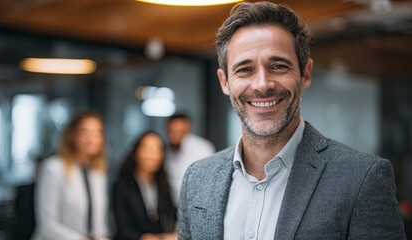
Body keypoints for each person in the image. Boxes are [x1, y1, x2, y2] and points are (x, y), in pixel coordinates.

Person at [178, 2, 406, 240]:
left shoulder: (363, 178)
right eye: (245, 69)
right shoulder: (197, 179)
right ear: (224, 81)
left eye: (278, 66)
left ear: (305, 73)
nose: (262, 84)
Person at [32, 110, 110, 240]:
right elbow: (47, 225)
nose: (91, 138)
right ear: (72, 135)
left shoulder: (98, 173)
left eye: (97, 133)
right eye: (85, 132)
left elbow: (100, 225)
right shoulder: (53, 168)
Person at [113, 131, 177, 240]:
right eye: (147, 149)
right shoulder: (123, 186)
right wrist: (143, 238)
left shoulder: (163, 184)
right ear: (135, 153)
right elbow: (123, 228)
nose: (152, 155)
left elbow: (173, 213)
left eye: (157, 150)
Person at [164, 113, 215, 204]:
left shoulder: (203, 148)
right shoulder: (166, 150)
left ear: (187, 128)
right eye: (172, 131)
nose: (175, 135)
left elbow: (210, 182)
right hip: (174, 207)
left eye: (179, 131)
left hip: (198, 205)